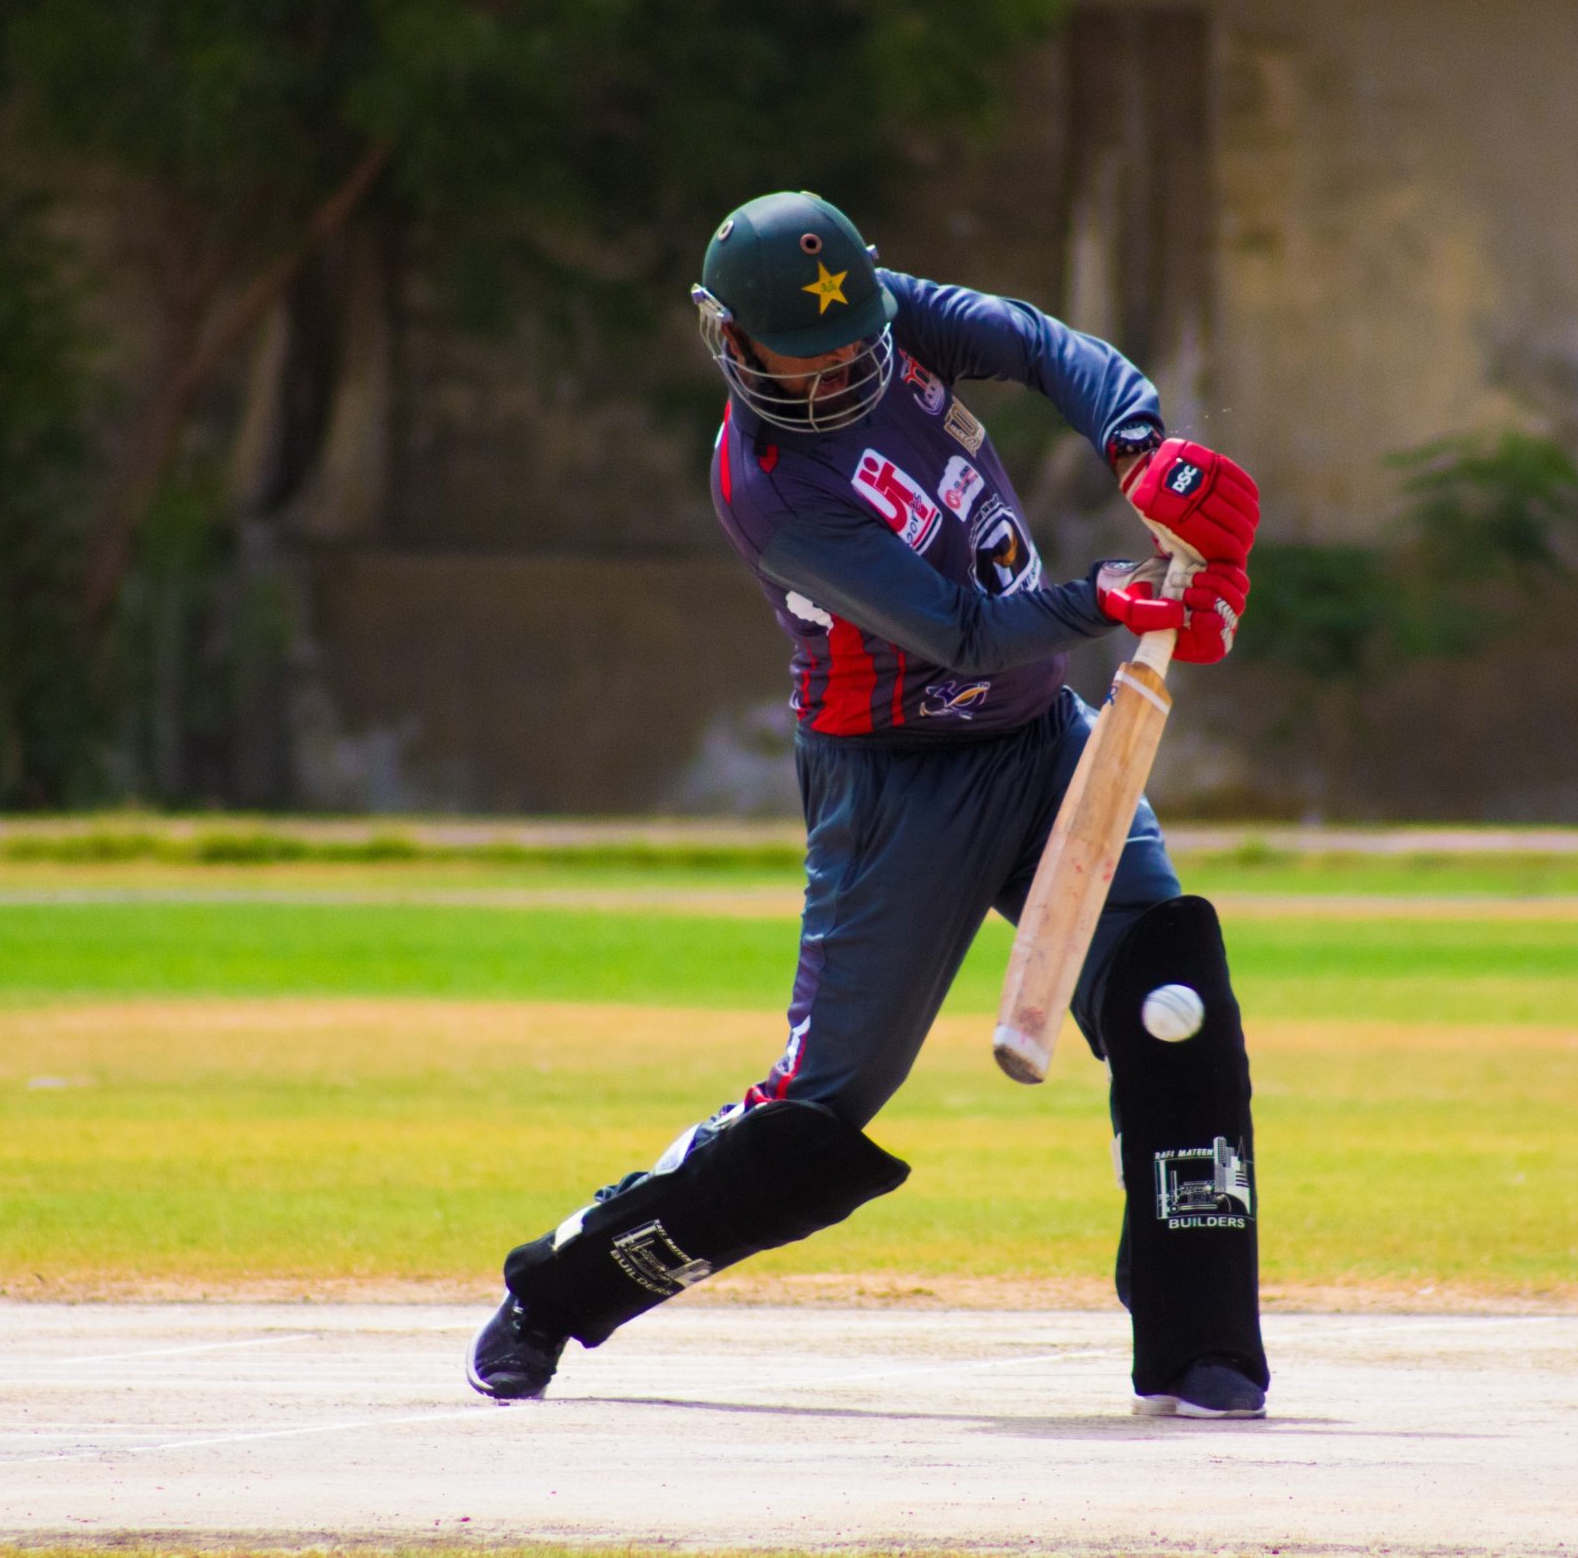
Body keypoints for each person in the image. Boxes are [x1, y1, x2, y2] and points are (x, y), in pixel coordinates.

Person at [467, 191, 1269, 1417]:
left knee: (1173, 999)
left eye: (850, 347)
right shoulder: (771, 488)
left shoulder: (892, 319)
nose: (836, 372)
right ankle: (559, 1292)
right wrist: (1115, 597)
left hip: (1045, 740)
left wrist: (1140, 448)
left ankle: (1203, 1350)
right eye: (802, 354)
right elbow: (960, 633)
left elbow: (1041, 344)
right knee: (818, 1115)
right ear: (728, 336)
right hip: (899, 786)